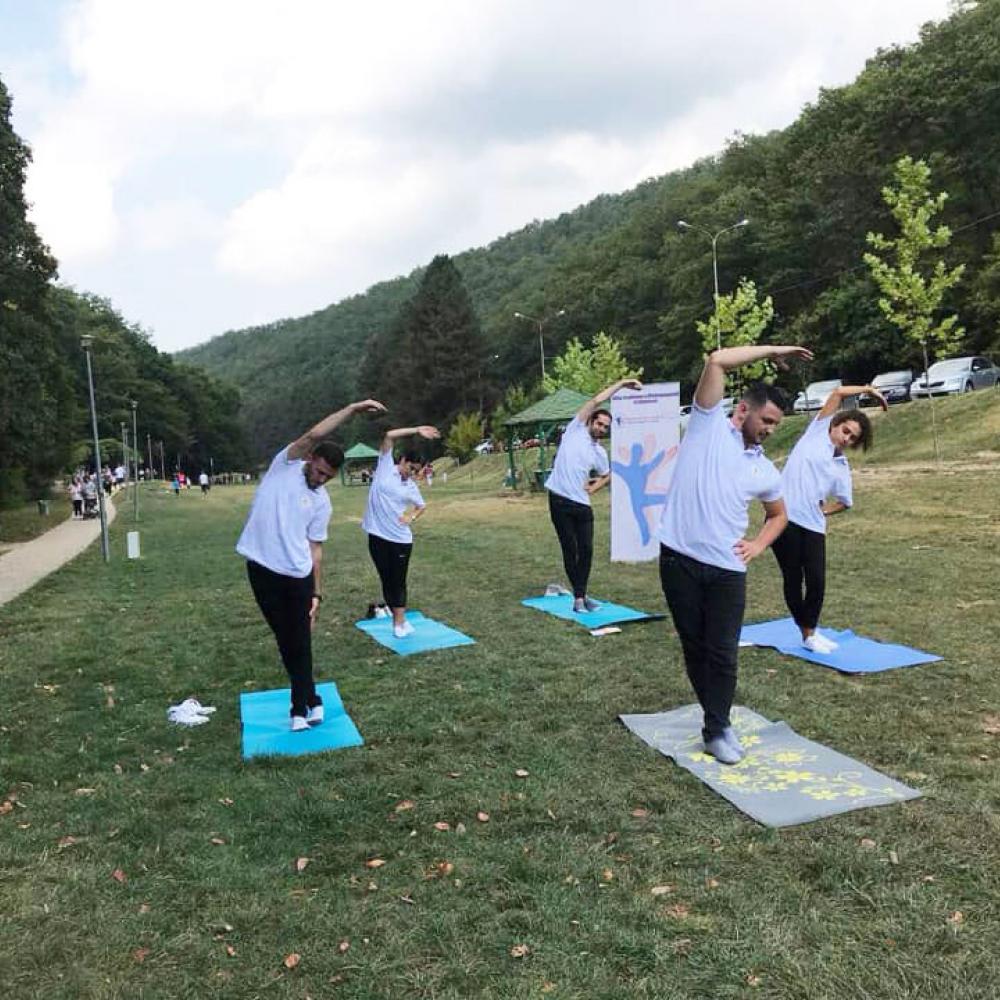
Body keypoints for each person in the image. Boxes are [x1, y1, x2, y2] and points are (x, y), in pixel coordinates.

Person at [656, 345, 812, 765]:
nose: (771, 430)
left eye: (777, 425)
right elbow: (717, 359)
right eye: (767, 421)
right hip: (679, 560)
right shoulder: (706, 427)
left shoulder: (764, 469)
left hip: (727, 570)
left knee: (723, 650)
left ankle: (717, 728)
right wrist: (777, 350)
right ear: (743, 410)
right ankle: (715, 718)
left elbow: (779, 515)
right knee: (695, 647)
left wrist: (759, 544)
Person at [237, 398, 387, 731]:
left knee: (300, 640)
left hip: (298, 576)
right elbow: (314, 432)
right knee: (286, 639)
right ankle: (312, 699)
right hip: (261, 570)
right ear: (309, 458)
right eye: (319, 471)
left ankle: (298, 709)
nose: (320, 479)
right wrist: (352, 409)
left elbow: (315, 548)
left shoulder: (322, 502)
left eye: (328, 477)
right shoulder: (284, 466)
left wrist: (317, 594)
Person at [772, 384, 885, 653]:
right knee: (792, 578)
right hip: (783, 520)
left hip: (813, 525)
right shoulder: (815, 434)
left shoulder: (841, 466)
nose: (847, 438)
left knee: (817, 581)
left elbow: (845, 502)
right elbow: (837, 393)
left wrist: (824, 511)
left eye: (853, 438)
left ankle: (810, 629)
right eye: (846, 431)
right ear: (835, 425)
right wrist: (869, 390)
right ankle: (808, 633)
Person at [545, 377, 642, 613]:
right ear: (590, 421)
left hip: (581, 503)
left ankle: (581, 595)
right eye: (599, 424)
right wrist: (621, 384)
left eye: (605, 427)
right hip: (559, 500)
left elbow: (609, 473)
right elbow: (597, 399)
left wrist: (596, 486)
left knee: (586, 550)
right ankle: (580, 598)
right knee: (571, 549)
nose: (601, 429)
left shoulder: (598, 452)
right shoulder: (574, 430)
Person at [362, 425, 439, 639]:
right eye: (411, 468)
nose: (412, 474)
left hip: (400, 539)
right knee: (386, 579)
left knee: (399, 580)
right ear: (402, 460)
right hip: (376, 536)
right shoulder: (385, 467)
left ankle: (399, 622)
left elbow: (421, 506)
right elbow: (388, 435)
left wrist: (411, 517)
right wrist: (416, 431)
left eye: (416, 471)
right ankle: (399, 618)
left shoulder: (410, 486)